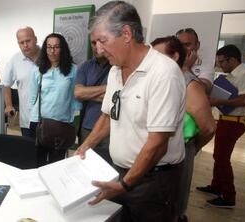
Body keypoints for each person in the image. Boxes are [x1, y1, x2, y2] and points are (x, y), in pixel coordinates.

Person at [75, 2, 186, 221]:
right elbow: (108, 116)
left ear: (126, 33)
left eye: (102, 41)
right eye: (95, 43)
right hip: (121, 172)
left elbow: (158, 142)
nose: (98, 50)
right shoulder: (116, 71)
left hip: (153, 182)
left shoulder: (164, 73)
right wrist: (84, 147)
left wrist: (125, 185)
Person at [151, 36, 216, 222]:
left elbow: (208, 128)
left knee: (174, 204)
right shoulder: (160, 79)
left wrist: (192, 148)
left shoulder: (188, 82)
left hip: (181, 149)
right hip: (159, 152)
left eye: (158, 56)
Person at [197, 44, 245, 208]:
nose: (220, 65)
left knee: (222, 158)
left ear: (233, 59)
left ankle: (229, 197)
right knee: (218, 155)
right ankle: (216, 186)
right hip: (226, 119)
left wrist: (218, 101)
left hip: (233, 122)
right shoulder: (231, 76)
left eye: (222, 62)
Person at [29, 33, 81, 167]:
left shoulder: (73, 70)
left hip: (61, 124)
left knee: (56, 167)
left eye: (56, 47)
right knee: (35, 164)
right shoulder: (37, 69)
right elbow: (32, 97)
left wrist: (73, 122)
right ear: (45, 49)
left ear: (62, 48)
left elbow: (76, 99)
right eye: (49, 47)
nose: (52, 51)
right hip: (39, 123)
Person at [74, 34, 112, 164]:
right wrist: (109, 88)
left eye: (100, 42)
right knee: (85, 162)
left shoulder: (117, 66)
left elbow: (120, 98)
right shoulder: (86, 66)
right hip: (87, 125)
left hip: (110, 128)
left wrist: (89, 93)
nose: (96, 47)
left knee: (107, 165)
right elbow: (78, 93)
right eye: (93, 43)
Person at [2, 27, 40, 137]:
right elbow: (6, 84)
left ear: (35, 39)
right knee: (30, 152)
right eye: (21, 43)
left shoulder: (48, 56)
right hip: (27, 120)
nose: (25, 45)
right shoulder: (15, 60)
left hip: (49, 119)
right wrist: (9, 105)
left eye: (28, 41)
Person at [176, 28, 215, 92]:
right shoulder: (171, 63)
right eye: (180, 45)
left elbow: (204, 89)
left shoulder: (206, 66)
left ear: (197, 45)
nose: (183, 49)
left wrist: (187, 68)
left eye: (187, 44)